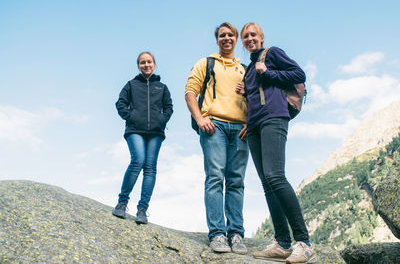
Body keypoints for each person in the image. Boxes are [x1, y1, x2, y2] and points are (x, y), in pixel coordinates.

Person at [238, 22, 315, 263]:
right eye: (246, 36)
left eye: (253, 35)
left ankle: (304, 242)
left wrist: (266, 72)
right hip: (254, 126)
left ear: (261, 38)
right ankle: (282, 243)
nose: (250, 38)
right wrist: (246, 90)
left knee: (275, 176)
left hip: (274, 118)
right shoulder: (249, 69)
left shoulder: (271, 54)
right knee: (266, 184)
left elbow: (298, 74)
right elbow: (257, 94)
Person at [185, 22, 249, 254]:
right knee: (215, 178)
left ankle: (236, 234)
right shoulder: (206, 63)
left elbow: (254, 99)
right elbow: (190, 91)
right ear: (217, 40)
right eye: (222, 35)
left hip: (241, 130)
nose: (227, 38)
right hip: (215, 127)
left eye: (231, 35)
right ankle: (218, 234)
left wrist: (249, 122)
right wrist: (200, 118)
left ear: (236, 39)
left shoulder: (245, 69)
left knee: (236, 181)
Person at [112, 51, 173, 224]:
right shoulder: (131, 85)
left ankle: (142, 209)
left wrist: (161, 120)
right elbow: (120, 103)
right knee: (138, 160)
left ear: (154, 64)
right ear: (138, 66)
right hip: (135, 130)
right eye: (142, 62)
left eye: (149, 62)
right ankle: (122, 203)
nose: (146, 65)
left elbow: (169, 107)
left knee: (150, 167)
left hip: (155, 133)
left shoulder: (162, 87)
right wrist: (131, 117)